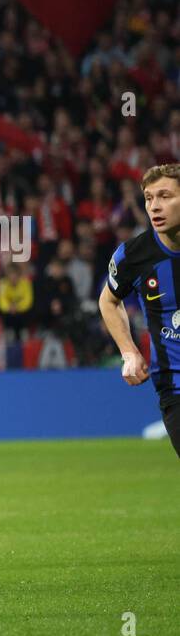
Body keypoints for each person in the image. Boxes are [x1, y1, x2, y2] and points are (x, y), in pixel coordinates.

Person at [99, 164, 180, 458]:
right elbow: (108, 301)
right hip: (175, 386)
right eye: (148, 198)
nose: (154, 206)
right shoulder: (133, 255)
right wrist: (129, 351)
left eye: (165, 196)